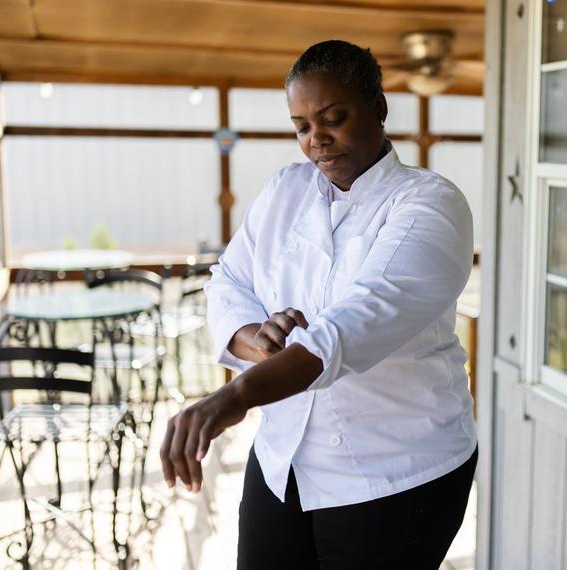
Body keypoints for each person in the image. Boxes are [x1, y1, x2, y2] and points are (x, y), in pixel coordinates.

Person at [160, 39, 477, 570]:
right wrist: (257, 337)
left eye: (334, 118)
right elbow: (227, 281)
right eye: (302, 126)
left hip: (395, 468)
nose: (316, 141)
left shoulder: (430, 204)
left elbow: (352, 326)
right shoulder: (285, 190)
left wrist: (236, 395)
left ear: (378, 108)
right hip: (284, 455)